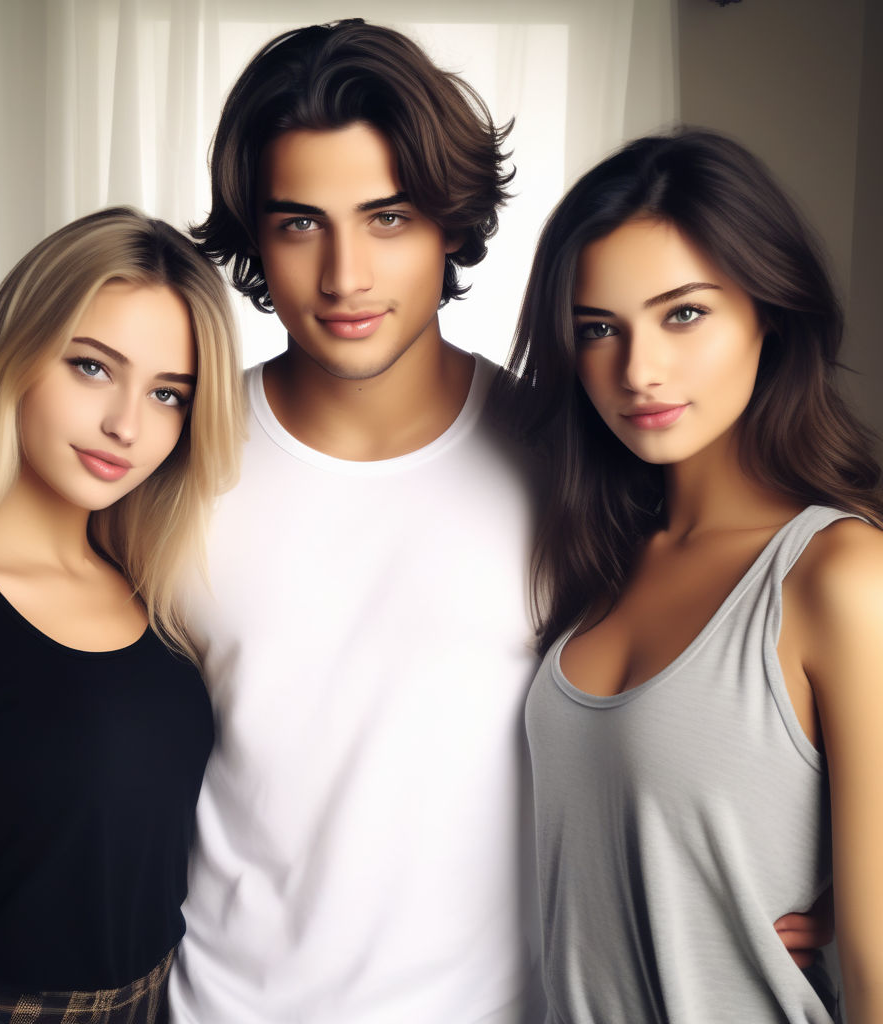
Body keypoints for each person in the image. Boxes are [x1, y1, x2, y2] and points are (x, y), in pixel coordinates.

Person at [170, 23, 825, 1023]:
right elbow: (45, 675)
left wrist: (795, 864)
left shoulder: (582, 463)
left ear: (450, 226)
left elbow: (717, 706)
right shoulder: (168, 462)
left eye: (386, 217)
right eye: (300, 223)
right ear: (255, 238)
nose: (344, 275)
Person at [505, 128, 883, 1021]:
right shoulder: (597, 559)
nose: (639, 370)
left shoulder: (839, 577)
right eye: (599, 329)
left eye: (684, 313)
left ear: (770, 312)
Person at [0, 208, 244, 1022]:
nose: (127, 426)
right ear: (17, 351)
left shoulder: (153, 599)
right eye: (94, 368)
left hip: (159, 1004)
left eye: (168, 393)